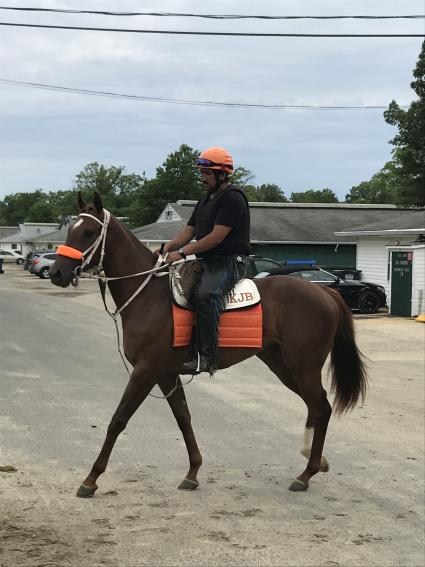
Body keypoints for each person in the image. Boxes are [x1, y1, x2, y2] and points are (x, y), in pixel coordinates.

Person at [155, 147, 250, 375]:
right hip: (208, 262)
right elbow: (188, 232)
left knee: (205, 296)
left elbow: (216, 237)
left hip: (230, 261)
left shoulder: (233, 198)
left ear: (222, 174)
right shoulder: (205, 199)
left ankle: (206, 357)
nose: (202, 178)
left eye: (206, 174)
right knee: (175, 289)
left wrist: (183, 253)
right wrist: (167, 248)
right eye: (201, 173)